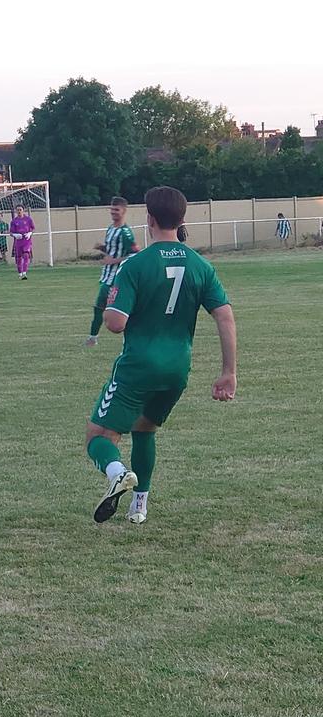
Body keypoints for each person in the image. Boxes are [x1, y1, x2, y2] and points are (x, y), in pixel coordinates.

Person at [85, 186, 237, 525]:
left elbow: (115, 324)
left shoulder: (135, 265)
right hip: (177, 369)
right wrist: (229, 372)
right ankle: (139, 506)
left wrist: (111, 304)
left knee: (98, 436)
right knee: (145, 429)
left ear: (149, 218)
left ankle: (117, 473)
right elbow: (225, 316)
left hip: (139, 366)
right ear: (181, 220)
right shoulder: (200, 265)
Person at [85, 197, 138, 347]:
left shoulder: (125, 233)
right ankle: (92, 338)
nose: (113, 212)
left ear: (124, 211)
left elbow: (135, 254)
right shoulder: (110, 229)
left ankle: (93, 339)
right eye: (112, 209)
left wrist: (114, 261)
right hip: (107, 276)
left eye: (116, 209)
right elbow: (113, 250)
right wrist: (102, 248)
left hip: (117, 277)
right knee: (100, 308)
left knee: (109, 309)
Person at [10, 205, 35, 279]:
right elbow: (11, 233)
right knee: (19, 258)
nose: (19, 211)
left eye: (20, 210)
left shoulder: (28, 219)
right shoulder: (14, 221)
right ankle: (20, 273)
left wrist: (30, 233)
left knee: (26, 255)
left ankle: (24, 273)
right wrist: (15, 235)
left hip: (26, 241)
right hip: (18, 241)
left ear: (23, 210)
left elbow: (33, 228)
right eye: (17, 210)